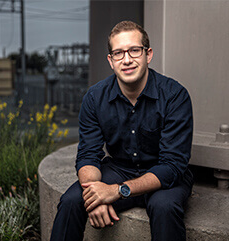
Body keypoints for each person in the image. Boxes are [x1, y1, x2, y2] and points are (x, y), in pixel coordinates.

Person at [50, 20, 194, 241]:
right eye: (118, 53)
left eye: (134, 50)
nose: (127, 60)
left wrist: (116, 191)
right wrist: (94, 194)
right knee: (71, 201)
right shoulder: (94, 97)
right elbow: (88, 154)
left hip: (163, 174)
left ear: (149, 54)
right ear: (111, 60)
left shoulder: (175, 96)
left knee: (164, 207)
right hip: (120, 168)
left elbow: (173, 165)